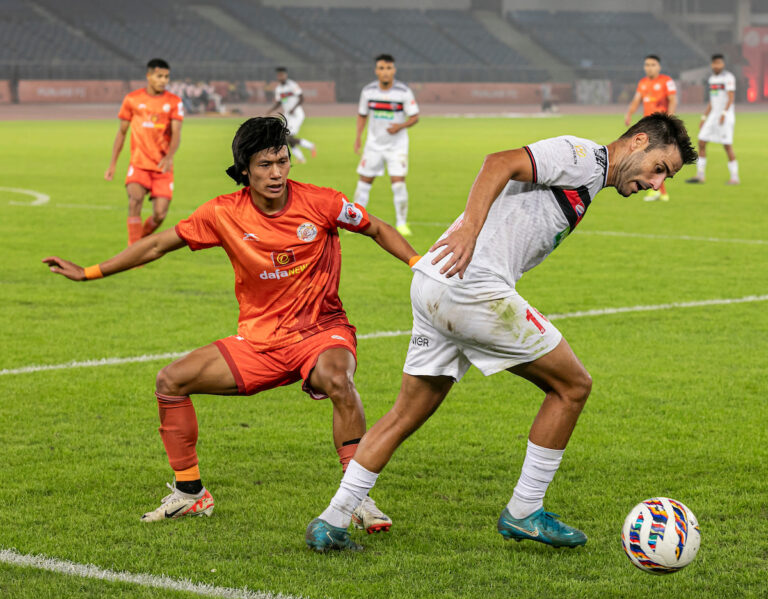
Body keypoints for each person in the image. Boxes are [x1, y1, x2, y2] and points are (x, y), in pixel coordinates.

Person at [305, 113, 697, 553]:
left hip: (436, 282)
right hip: (472, 286)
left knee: (404, 414)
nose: (657, 182)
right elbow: (499, 161)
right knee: (572, 386)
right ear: (639, 141)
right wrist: (470, 228)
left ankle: (332, 520)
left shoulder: (589, 180)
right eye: (659, 168)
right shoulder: (584, 157)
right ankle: (525, 509)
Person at [44, 116, 420, 531]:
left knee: (337, 379)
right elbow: (156, 245)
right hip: (259, 341)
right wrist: (90, 272)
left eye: (282, 160)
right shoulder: (223, 213)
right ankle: (191, 494)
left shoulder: (322, 202)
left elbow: (377, 228)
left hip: (321, 330)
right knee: (171, 381)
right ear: (244, 170)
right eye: (264, 164)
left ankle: (356, 499)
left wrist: (418, 264)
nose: (276, 173)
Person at [105, 58, 184, 246]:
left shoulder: (174, 102)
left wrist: (169, 157)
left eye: (166, 77)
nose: (163, 80)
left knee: (160, 214)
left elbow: (176, 133)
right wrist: (113, 164)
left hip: (162, 166)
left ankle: (140, 241)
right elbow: (122, 133)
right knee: (135, 200)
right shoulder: (132, 99)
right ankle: (133, 251)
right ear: (149, 76)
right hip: (139, 164)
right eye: (159, 76)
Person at [353, 54, 420, 237]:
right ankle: (354, 221)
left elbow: (415, 117)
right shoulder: (368, 91)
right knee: (364, 183)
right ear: (376, 71)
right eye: (381, 68)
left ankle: (401, 223)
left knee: (398, 185)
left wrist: (401, 125)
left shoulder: (403, 92)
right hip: (373, 145)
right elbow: (362, 114)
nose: (385, 72)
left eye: (388, 68)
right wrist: (358, 137)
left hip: (397, 146)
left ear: (394, 70)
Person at [624, 55, 677, 202]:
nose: (649, 67)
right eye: (647, 65)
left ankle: (657, 191)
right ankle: (661, 192)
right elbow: (636, 100)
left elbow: (672, 101)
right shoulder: (643, 83)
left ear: (659, 67)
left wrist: (669, 120)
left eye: (653, 64)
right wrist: (629, 114)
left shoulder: (666, 81)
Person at [686, 54, 740, 185]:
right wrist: (704, 117)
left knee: (727, 145)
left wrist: (724, 113)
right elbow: (712, 100)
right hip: (713, 116)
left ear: (723, 64)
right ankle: (700, 175)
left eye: (719, 63)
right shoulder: (712, 79)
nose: (717, 65)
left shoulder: (728, 78)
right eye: (714, 63)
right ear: (712, 64)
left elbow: (731, 97)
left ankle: (735, 177)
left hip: (725, 116)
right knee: (701, 141)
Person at [267, 67, 316, 163]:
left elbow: (301, 98)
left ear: (286, 75)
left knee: (287, 137)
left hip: (297, 114)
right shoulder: (279, 89)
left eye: (282, 75)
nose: (280, 76)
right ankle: (301, 158)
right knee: (288, 139)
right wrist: (270, 110)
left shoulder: (292, 85)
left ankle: (310, 146)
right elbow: (279, 102)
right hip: (288, 116)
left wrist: (294, 108)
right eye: (279, 75)